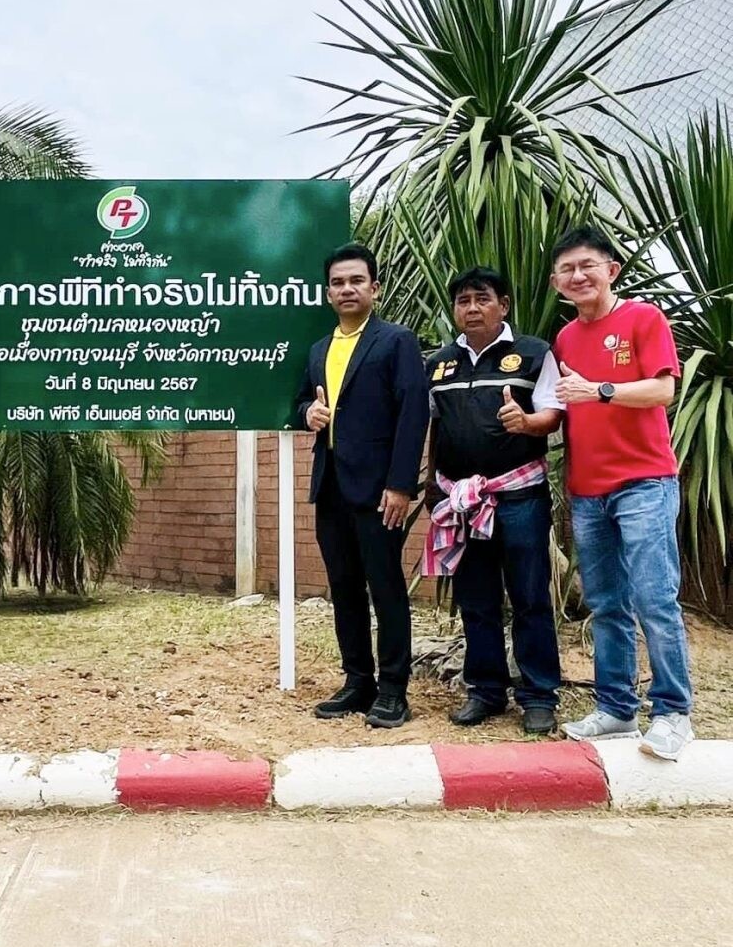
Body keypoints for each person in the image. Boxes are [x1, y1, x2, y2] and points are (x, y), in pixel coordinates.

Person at [550, 226, 694, 760]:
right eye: (567, 269)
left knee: (655, 600)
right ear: (556, 282)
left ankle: (674, 713)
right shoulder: (564, 340)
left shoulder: (642, 319)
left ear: (611, 270)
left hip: (645, 484)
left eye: (588, 265)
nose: (578, 276)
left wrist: (600, 390)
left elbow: (664, 389)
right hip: (588, 491)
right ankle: (615, 709)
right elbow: (562, 407)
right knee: (606, 604)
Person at [422, 268, 563, 735]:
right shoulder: (440, 364)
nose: (472, 308)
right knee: (476, 599)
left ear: (504, 305)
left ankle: (539, 695)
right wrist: (432, 490)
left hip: (519, 495)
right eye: (463, 300)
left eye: (482, 299)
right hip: (461, 501)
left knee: (528, 596)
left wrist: (527, 423)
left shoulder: (534, 354)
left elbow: (552, 416)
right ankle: (485, 691)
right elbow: (433, 427)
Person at [295, 243, 429, 728]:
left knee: (386, 587)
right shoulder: (318, 350)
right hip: (329, 486)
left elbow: (413, 415)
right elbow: (299, 405)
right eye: (337, 282)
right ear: (327, 292)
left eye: (356, 281)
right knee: (343, 587)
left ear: (374, 287)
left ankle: (394, 689)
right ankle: (358, 681)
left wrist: (400, 486)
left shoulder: (396, 341)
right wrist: (307, 414)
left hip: (378, 492)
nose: (346, 289)